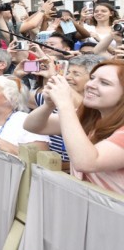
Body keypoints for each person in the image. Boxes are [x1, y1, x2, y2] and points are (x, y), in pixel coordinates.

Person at [24, 60, 124, 195]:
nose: (91, 85)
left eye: (104, 83)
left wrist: (65, 104)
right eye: (92, 78)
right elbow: (32, 126)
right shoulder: (90, 117)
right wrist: (49, 105)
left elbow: (86, 163)